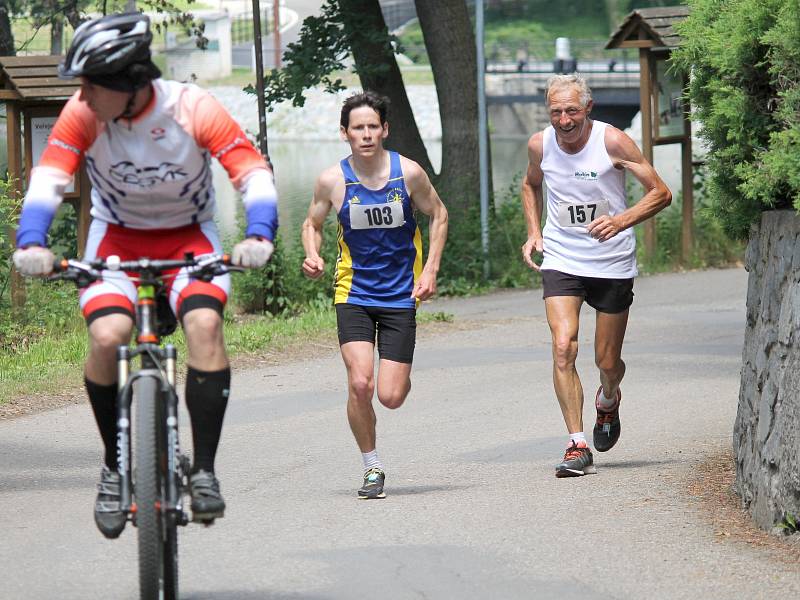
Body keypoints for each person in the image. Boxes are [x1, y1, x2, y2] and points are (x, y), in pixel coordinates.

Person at [12, 13, 278, 536]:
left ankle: (203, 471)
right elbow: (48, 180)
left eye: (90, 83)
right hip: (116, 240)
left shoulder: (191, 107)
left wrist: (260, 234)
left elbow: (251, 172)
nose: (82, 95)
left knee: (204, 326)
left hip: (189, 239)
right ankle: (114, 465)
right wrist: (31, 241)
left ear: (128, 81)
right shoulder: (83, 114)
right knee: (108, 335)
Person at [520, 74, 671, 478]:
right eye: (556, 111)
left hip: (611, 263)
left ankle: (609, 397)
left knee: (607, 360)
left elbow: (661, 192)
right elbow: (530, 185)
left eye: (571, 110)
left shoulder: (613, 142)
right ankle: (577, 444)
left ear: (588, 108)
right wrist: (534, 232)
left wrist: (621, 220)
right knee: (563, 346)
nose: (564, 120)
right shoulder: (540, 144)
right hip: (563, 258)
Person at [301, 91, 448, 499]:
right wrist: (312, 255)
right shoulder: (332, 180)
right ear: (345, 133)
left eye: (372, 126)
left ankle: (396, 378)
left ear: (384, 129)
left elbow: (439, 214)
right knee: (361, 383)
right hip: (354, 292)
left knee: (391, 395)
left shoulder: (409, 173)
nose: (365, 134)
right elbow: (311, 224)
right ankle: (372, 467)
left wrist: (431, 269)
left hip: (401, 292)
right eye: (357, 128)